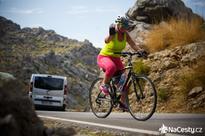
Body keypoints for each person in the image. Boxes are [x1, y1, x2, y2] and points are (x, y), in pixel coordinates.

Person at [97, 16, 145, 111]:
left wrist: (140, 51)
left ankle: (122, 103)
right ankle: (103, 85)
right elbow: (106, 40)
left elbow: (133, 44)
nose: (124, 29)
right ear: (118, 24)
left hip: (116, 58)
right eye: (123, 26)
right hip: (104, 57)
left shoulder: (125, 34)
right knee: (111, 67)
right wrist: (111, 35)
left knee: (124, 83)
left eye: (126, 27)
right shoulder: (113, 31)